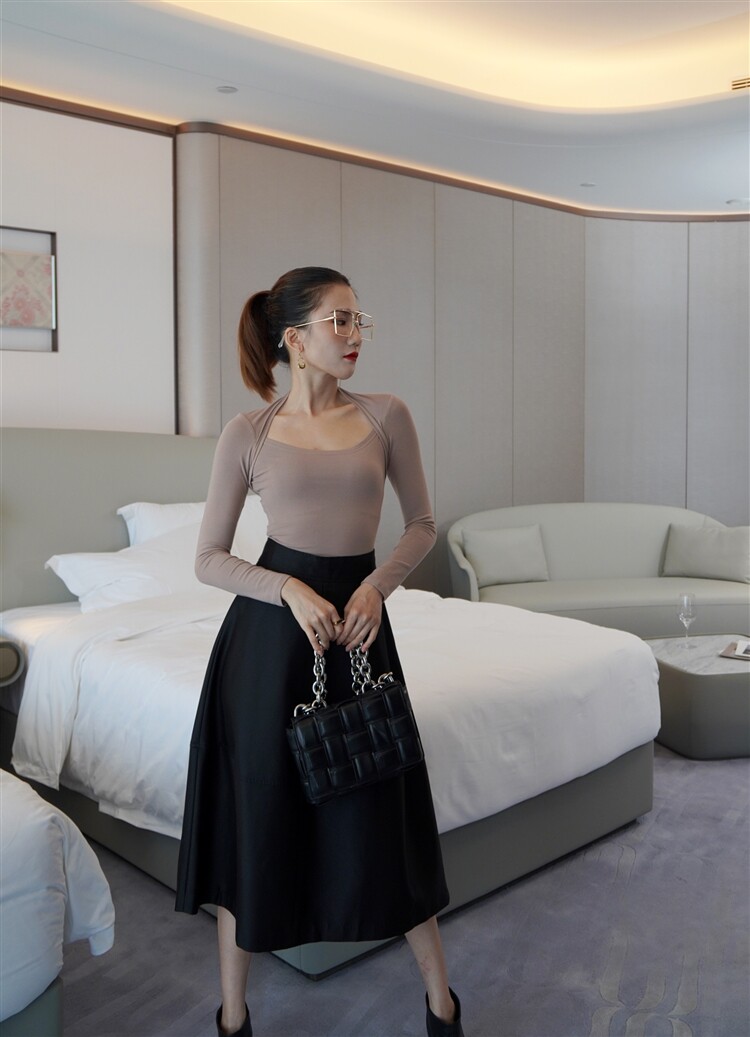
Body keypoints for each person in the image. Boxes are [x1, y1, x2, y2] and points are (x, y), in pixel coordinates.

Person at [175, 267, 464, 1037]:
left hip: (361, 632)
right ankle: (233, 1016)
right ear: (294, 339)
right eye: (339, 321)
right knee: (256, 824)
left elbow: (423, 524)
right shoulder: (248, 431)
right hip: (270, 648)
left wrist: (377, 587)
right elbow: (208, 559)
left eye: (359, 320)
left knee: (387, 819)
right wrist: (285, 589)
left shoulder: (386, 415)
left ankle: (443, 1006)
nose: (355, 334)